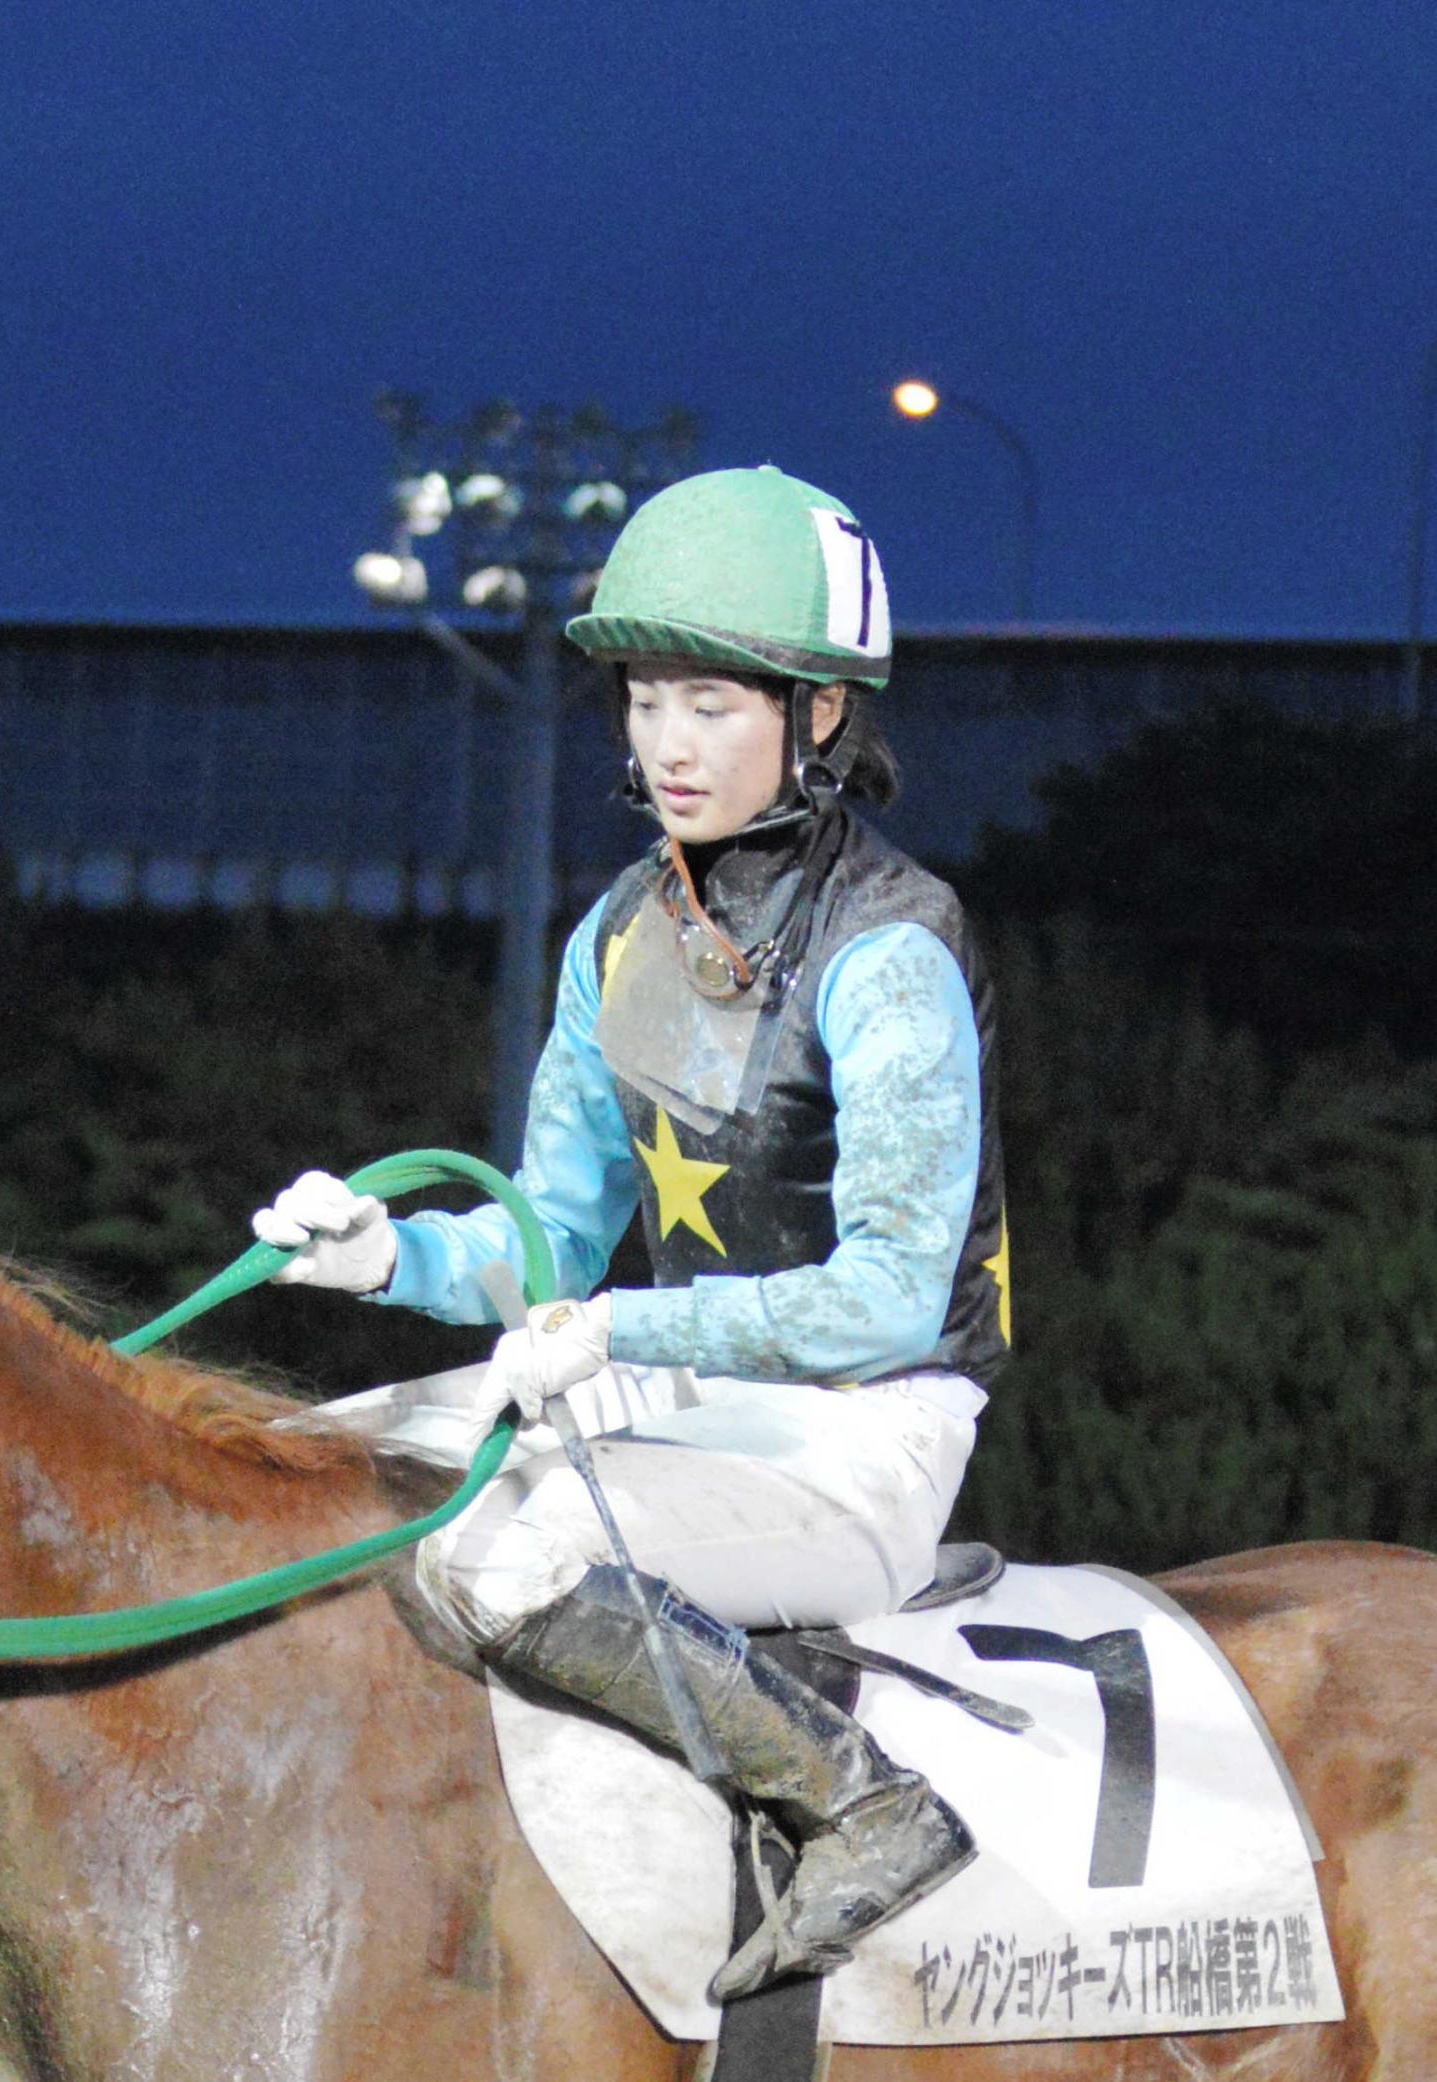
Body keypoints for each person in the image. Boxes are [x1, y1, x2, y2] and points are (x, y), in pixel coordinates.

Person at [252, 465, 1010, 1999]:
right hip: (694, 1407)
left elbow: (880, 1299)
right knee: (312, 1470)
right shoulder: (619, 936)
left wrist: (615, 1333)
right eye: (647, 698)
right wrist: (385, 1253)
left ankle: (859, 1800)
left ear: (817, 716)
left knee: (521, 1560)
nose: (665, 741)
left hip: (868, 1441)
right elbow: (548, 1243)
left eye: (711, 704)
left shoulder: (894, 951)